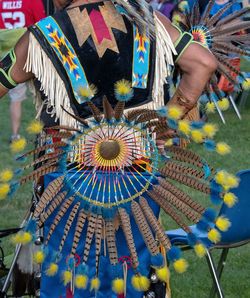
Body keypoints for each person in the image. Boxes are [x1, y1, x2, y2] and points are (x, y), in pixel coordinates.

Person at [0, 0, 239, 297]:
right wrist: (165, 123)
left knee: (70, 277)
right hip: (135, 175)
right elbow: (203, 63)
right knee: (132, 273)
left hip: (70, 179)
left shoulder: (43, 35)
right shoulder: (146, 20)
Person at [0, 0, 46, 142]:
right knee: (19, 100)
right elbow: (43, 26)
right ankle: (15, 134)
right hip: (26, 55)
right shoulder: (32, 2)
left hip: (4, 55)